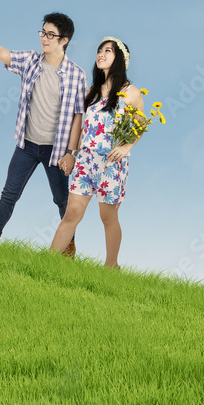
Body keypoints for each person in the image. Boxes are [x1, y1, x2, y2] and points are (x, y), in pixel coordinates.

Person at [0, 13, 87, 254]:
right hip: (26, 146)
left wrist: (72, 153)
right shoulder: (30, 61)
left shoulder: (77, 75)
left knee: (63, 202)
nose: (45, 38)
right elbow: (2, 53)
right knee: (9, 195)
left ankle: (67, 249)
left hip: (57, 151)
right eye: (43, 32)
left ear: (64, 40)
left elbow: (77, 117)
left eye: (51, 35)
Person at [50, 37, 144, 269]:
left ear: (120, 59)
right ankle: (48, 263)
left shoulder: (130, 92)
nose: (100, 54)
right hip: (85, 161)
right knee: (71, 214)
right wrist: (72, 153)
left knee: (107, 217)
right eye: (99, 50)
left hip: (111, 163)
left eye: (107, 51)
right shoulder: (91, 91)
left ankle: (111, 266)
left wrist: (125, 147)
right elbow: (79, 126)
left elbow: (140, 125)